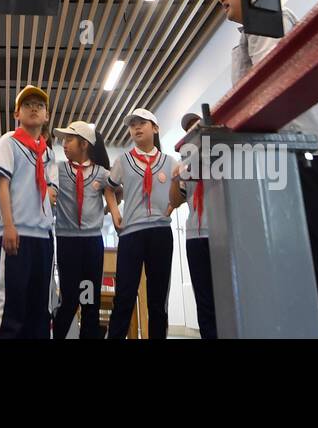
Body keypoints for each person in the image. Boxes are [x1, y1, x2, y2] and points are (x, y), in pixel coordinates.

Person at [208, 0, 318, 339]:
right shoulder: (250, 34)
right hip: (288, 159)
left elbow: (266, 95)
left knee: (312, 266)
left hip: (301, 157)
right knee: (296, 267)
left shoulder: (269, 20)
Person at [0, 85, 59, 339]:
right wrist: (8, 226)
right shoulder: (10, 141)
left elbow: (52, 190)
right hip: (16, 233)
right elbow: (3, 184)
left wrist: (50, 194)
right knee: (11, 307)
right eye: (27, 105)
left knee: (39, 309)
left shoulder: (49, 153)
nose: (34, 108)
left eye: (39, 105)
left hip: (43, 237)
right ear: (16, 113)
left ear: (47, 115)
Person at [106, 108, 176, 340]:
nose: (136, 127)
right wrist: (115, 211)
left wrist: (172, 205)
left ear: (155, 128)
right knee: (124, 296)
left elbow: (181, 190)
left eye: (142, 123)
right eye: (132, 124)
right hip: (131, 234)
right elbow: (109, 187)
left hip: (161, 233)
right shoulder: (123, 161)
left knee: (158, 300)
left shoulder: (170, 162)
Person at [51, 120, 118, 340]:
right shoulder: (58, 170)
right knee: (69, 299)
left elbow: (118, 190)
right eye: (63, 140)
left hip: (91, 244)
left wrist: (110, 207)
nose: (64, 144)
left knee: (89, 299)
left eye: (69, 140)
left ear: (84, 144)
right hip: (67, 241)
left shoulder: (100, 173)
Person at [168, 112, 216, 339]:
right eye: (187, 130)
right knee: (204, 300)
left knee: (227, 296)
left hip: (222, 236)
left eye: (195, 126)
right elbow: (176, 201)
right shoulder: (185, 165)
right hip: (195, 237)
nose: (191, 131)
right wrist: (175, 178)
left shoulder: (222, 155)